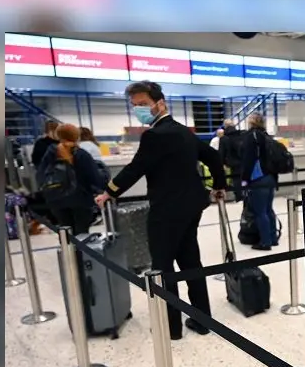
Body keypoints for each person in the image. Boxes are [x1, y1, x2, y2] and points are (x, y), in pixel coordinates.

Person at [94, 81, 227, 340]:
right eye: (134, 106)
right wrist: (219, 185)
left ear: (160, 103)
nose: (138, 109)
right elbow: (212, 157)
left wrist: (109, 192)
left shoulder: (154, 135)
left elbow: (135, 168)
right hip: (192, 207)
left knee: (163, 268)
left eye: (143, 104)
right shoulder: (183, 131)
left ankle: (171, 328)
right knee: (190, 261)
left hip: (166, 211)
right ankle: (202, 321)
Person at [36, 123, 106, 235]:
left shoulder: (50, 153)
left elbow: (40, 175)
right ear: (76, 137)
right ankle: (81, 252)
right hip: (80, 199)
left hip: (56, 199)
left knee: (65, 232)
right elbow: (95, 178)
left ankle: (68, 251)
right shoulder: (81, 154)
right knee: (82, 233)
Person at [240, 113, 280, 251]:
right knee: (268, 210)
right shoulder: (266, 136)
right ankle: (273, 239)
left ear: (251, 122)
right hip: (270, 178)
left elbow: (248, 160)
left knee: (260, 212)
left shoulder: (251, 136)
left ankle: (265, 242)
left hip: (258, 178)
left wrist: (244, 179)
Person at [217, 119, 245, 202]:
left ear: (225, 127)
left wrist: (221, 164)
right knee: (245, 178)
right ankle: (246, 195)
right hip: (244, 161)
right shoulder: (241, 135)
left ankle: (239, 197)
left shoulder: (224, 138)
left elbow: (221, 153)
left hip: (233, 163)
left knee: (236, 180)